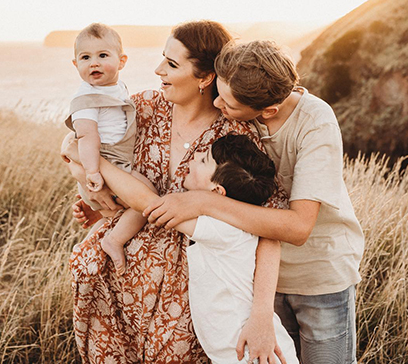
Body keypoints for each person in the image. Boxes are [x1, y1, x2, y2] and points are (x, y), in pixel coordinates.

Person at [67, 22, 289, 364]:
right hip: (117, 281)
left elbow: (266, 230)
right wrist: (100, 202)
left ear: (204, 78)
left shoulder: (235, 136)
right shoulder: (139, 109)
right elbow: (76, 143)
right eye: (161, 60)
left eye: (172, 65)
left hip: (189, 302)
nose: (158, 71)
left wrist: (261, 315)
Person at [144, 40, 365, 364]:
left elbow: (298, 227)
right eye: (218, 91)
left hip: (319, 277)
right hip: (259, 278)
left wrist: (204, 203)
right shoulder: (239, 116)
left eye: (228, 103)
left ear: (269, 110)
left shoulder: (315, 122)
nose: (217, 103)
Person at [69, 133, 299, 364]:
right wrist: (103, 212)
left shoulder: (222, 227)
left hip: (254, 353)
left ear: (217, 193)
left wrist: (93, 162)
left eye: (204, 160)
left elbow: (148, 203)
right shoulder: (235, 223)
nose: (196, 155)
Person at [61, 22, 156, 275]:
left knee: (118, 211)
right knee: (146, 198)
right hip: (103, 163)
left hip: (115, 161)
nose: (94, 63)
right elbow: (86, 135)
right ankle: (113, 241)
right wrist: (93, 173)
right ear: (75, 65)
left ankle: (100, 240)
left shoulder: (118, 88)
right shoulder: (86, 100)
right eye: (85, 57)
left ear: (122, 61)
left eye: (103, 56)